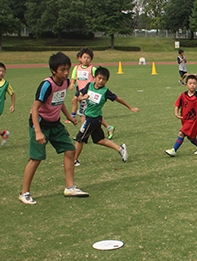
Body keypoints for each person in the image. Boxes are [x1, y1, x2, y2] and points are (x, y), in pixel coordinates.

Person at [19, 52, 89, 204]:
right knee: (36, 158)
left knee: (70, 150)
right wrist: (37, 131)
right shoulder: (46, 85)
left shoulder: (65, 82)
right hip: (40, 124)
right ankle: (24, 193)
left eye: (67, 69)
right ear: (53, 70)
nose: (66, 73)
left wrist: (69, 116)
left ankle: (70, 187)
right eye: (62, 70)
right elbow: (35, 108)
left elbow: (59, 100)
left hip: (55, 123)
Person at [74, 66, 138, 166]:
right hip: (93, 118)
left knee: (79, 139)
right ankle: (120, 149)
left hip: (93, 119)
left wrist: (130, 107)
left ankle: (74, 160)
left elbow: (118, 99)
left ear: (107, 81)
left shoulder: (105, 91)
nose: (101, 81)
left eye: (104, 79)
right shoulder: (89, 86)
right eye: (99, 78)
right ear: (95, 77)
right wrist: (83, 97)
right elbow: (78, 97)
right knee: (99, 140)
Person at [68, 48, 114, 138]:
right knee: (86, 111)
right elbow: (73, 78)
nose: (86, 59)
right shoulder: (77, 68)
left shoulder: (92, 69)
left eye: (88, 58)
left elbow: (97, 78)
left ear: (91, 59)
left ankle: (82, 133)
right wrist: (72, 84)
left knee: (86, 112)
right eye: (84, 57)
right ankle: (107, 127)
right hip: (81, 92)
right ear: (80, 58)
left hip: (89, 93)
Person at [165, 74, 197, 157]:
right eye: (190, 83)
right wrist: (176, 113)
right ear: (186, 85)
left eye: (194, 83)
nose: (192, 85)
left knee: (181, 133)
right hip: (185, 119)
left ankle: (174, 150)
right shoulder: (183, 95)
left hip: (194, 120)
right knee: (190, 137)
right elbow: (177, 104)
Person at [0, 62, 16, 146]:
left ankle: (4, 133)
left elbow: (12, 94)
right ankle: (3, 133)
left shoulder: (5, 84)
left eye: (3, 71)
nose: (1, 73)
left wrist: (13, 105)